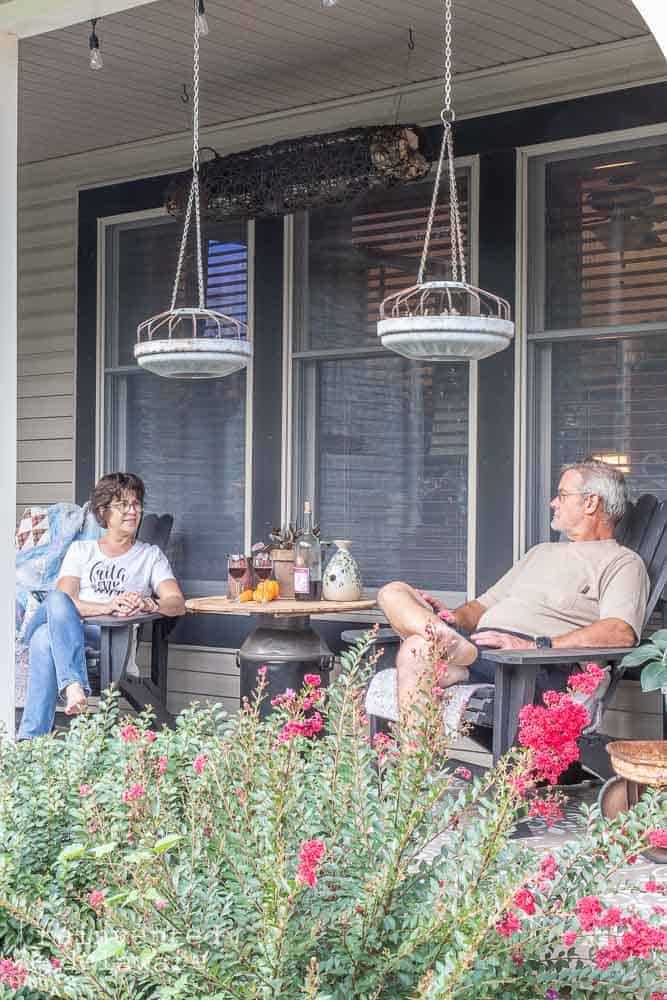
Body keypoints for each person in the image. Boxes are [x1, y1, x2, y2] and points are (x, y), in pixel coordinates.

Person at [378, 460, 649, 716]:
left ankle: (444, 644)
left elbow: (620, 631)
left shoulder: (622, 562)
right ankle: (441, 635)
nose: (553, 502)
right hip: (484, 652)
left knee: (417, 648)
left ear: (590, 502)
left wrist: (535, 645)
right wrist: (453, 618)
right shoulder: (541, 552)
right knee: (392, 592)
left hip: (533, 667)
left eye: (562, 495)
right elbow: (481, 606)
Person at [18, 472, 185, 739]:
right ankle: (74, 685)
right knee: (57, 600)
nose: (133, 511)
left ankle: (30, 740)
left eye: (137, 504)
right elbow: (64, 602)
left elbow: (176, 603)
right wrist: (108, 606)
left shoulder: (150, 556)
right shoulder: (81, 551)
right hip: (72, 626)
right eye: (123, 505)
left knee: (42, 639)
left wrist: (148, 604)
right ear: (103, 511)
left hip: (109, 639)